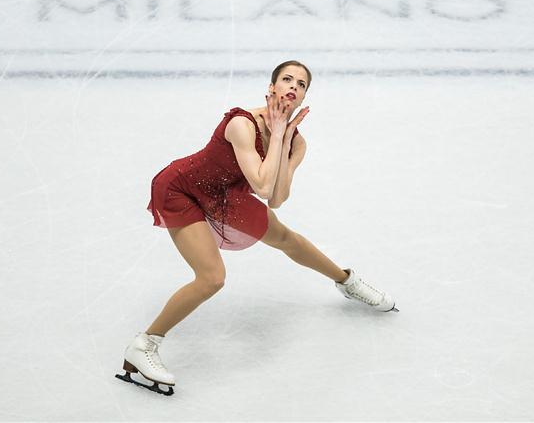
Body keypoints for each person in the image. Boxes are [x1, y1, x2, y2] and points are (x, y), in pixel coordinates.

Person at [117, 60, 397, 395]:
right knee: (212, 278)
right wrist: (277, 134)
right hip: (183, 190)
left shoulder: (297, 143)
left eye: (302, 84)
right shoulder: (242, 124)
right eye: (287, 79)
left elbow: (275, 198)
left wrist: (283, 138)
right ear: (272, 88)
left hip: (225, 193)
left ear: (305, 95)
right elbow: (263, 188)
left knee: (284, 237)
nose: (293, 86)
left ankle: (347, 282)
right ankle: (144, 344)